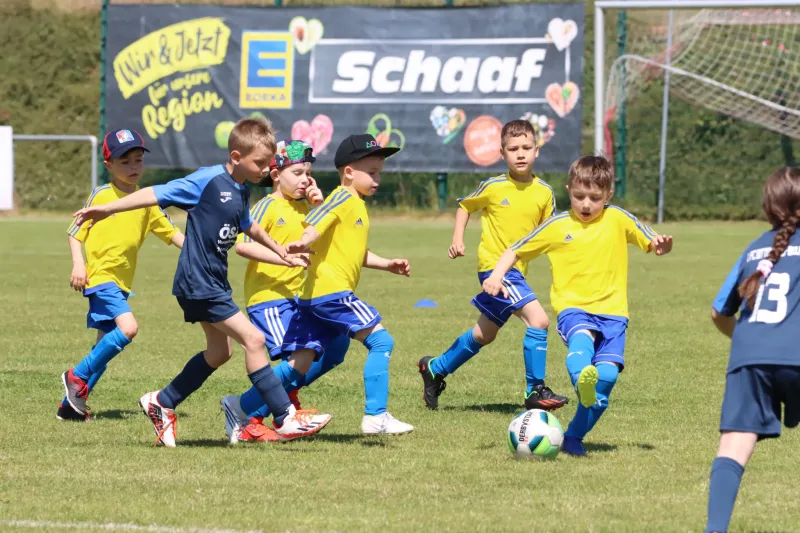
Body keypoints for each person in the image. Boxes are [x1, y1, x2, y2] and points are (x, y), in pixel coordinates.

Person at [71, 117, 331, 446]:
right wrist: (107, 209)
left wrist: (281, 252)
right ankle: (285, 417)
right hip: (198, 282)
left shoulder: (242, 187)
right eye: (259, 163)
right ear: (236, 157)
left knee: (219, 352)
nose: (266, 169)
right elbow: (155, 193)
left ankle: (162, 402)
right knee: (254, 340)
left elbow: (249, 226)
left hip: (212, 281)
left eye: (268, 163)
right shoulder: (207, 180)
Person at [483, 155, 672, 457]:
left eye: (595, 198)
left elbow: (651, 241)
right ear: (569, 190)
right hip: (574, 308)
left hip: (614, 313)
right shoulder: (557, 225)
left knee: (606, 380)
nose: (586, 204)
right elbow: (515, 250)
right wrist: (496, 275)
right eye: (579, 196)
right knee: (581, 340)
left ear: (608, 194)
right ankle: (580, 380)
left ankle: (573, 437)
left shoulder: (618, 218)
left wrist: (661, 246)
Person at [418, 119, 568, 412]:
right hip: (494, 270)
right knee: (538, 320)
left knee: (484, 334)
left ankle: (435, 368)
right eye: (513, 149)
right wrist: (457, 239)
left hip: (517, 272)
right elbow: (465, 206)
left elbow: (550, 234)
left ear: (536, 150)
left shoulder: (545, 193)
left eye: (526, 147)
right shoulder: (494, 186)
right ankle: (535, 389)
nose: (520, 153)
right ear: (502, 153)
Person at [220, 139, 350, 443]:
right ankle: (248, 412)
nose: (305, 179)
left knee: (337, 345)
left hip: (302, 299)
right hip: (270, 300)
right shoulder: (267, 206)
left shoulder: (306, 207)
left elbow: (329, 242)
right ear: (276, 174)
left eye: (309, 173)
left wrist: (320, 206)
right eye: (298, 173)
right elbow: (242, 246)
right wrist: (284, 258)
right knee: (297, 360)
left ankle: (285, 400)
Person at [60, 129, 184, 421]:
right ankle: (75, 376)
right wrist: (79, 264)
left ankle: (71, 407)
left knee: (103, 348)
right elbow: (75, 232)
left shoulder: (147, 200)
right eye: (124, 162)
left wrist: (200, 251)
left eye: (138, 160)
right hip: (100, 278)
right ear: (109, 165)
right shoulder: (102, 195)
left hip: (121, 284)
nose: (133, 167)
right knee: (128, 329)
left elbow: (172, 233)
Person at [704, 167, 800, 533]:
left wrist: (752, 341)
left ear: (768, 206)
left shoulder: (755, 248)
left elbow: (719, 312)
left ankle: (715, 529)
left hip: (749, 356)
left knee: (733, 447)